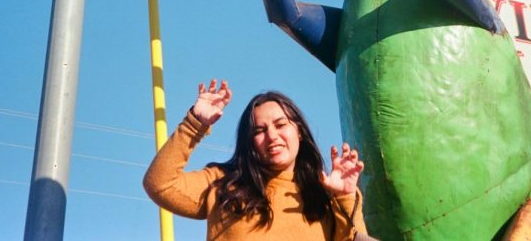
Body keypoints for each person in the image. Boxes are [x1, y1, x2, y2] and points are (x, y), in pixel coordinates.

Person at [143, 79, 367, 240]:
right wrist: (195, 123)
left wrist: (345, 195)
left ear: (298, 131)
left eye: (280, 125)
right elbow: (160, 184)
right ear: (249, 142)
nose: (272, 136)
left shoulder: (322, 198)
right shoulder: (223, 183)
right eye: (260, 130)